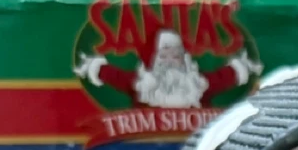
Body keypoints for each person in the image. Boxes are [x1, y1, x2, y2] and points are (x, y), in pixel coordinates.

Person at [74, 29, 261, 109]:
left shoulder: (198, 84)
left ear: (184, 60)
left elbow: (223, 77)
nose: (170, 62)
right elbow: (116, 76)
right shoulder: (141, 84)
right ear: (155, 60)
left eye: (175, 56)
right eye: (164, 56)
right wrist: (95, 68)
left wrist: (241, 67)